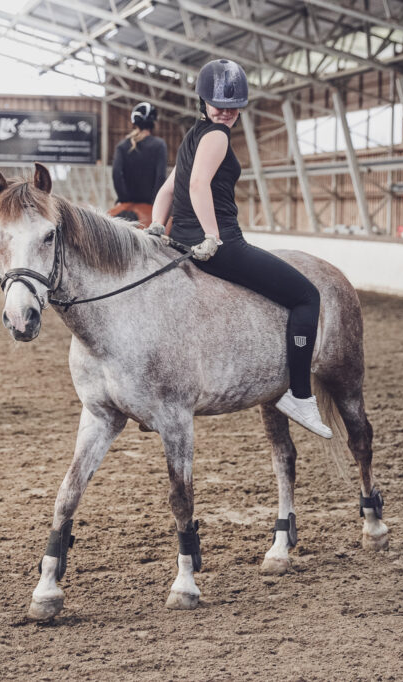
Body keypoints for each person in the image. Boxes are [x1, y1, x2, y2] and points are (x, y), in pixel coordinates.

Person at [148, 59, 332, 439]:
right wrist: (213, 237)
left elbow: (169, 189)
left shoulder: (192, 135)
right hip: (219, 245)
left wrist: (155, 225)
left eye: (234, 106)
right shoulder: (216, 135)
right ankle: (298, 394)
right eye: (219, 104)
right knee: (307, 296)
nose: (227, 112)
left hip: (181, 241)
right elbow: (197, 185)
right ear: (202, 100)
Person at [109, 102, 167, 228]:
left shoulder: (122, 146)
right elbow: (161, 177)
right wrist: (154, 203)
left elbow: (116, 174)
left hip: (125, 203)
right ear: (153, 123)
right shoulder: (159, 145)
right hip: (150, 205)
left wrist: (124, 199)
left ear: (134, 122)